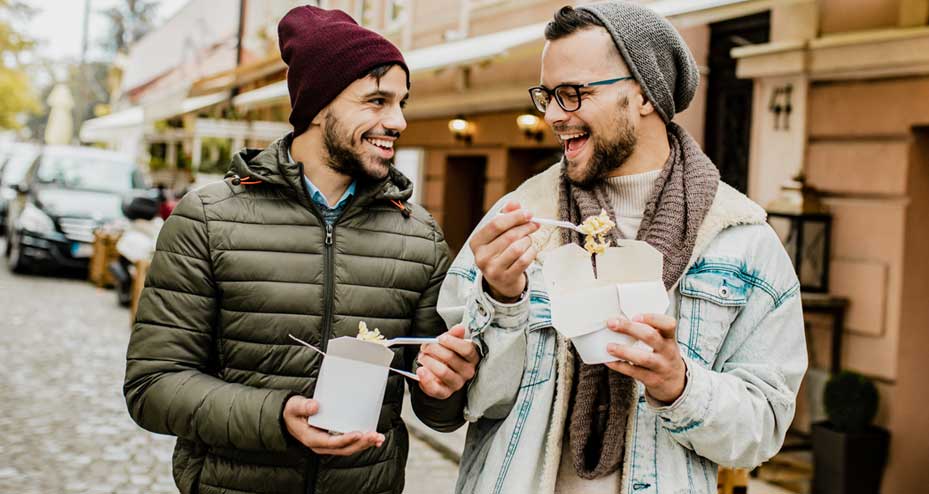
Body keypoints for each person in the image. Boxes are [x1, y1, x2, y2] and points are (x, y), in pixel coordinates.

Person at [437, 3, 807, 493]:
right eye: (547, 96)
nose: (550, 115)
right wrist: (502, 300)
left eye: (572, 94)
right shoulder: (518, 221)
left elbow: (763, 433)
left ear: (644, 94)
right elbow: (466, 403)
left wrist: (679, 385)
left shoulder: (742, 241)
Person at [124, 6, 475, 494]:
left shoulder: (418, 234)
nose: (397, 120)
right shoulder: (206, 219)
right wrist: (276, 418)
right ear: (317, 106)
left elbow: (439, 413)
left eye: (401, 103)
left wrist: (448, 383)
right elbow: (153, 387)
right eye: (376, 101)